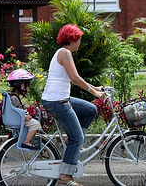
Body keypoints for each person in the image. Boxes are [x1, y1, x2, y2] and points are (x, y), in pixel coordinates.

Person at [42, 24, 105, 186]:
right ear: (72, 38)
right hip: (57, 101)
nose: (80, 43)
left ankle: (73, 144)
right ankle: (65, 176)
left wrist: (96, 88)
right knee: (77, 138)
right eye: (79, 39)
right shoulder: (65, 53)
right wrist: (94, 92)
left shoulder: (63, 53)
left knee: (90, 109)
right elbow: (75, 78)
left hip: (61, 98)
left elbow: (73, 78)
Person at [6, 69, 41, 150]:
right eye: (26, 85)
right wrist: (24, 117)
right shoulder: (14, 98)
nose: (27, 88)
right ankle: (26, 142)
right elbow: (14, 112)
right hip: (19, 120)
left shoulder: (12, 96)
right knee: (36, 124)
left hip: (18, 119)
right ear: (22, 85)